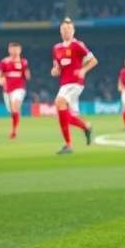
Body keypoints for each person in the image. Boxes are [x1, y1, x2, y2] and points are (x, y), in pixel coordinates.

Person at [51, 17, 97, 154]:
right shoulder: (56, 48)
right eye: (64, 29)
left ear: (73, 31)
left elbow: (94, 60)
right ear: (60, 31)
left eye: (69, 29)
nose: (66, 31)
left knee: (59, 103)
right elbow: (57, 68)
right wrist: (55, 71)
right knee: (63, 114)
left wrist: (83, 70)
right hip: (64, 83)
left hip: (76, 82)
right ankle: (86, 127)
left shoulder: (78, 45)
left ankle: (68, 144)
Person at [0, 42, 31, 139]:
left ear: (20, 50)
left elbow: (27, 76)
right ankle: (15, 122)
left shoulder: (24, 62)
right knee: (12, 111)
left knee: (15, 105)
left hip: (19, 89)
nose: (14, 51)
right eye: (12, 49)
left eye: (16, 49)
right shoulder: (4, 62)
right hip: (7, 90)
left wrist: (27, 74)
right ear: (9, 50)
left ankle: (14, 131)